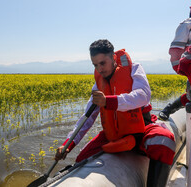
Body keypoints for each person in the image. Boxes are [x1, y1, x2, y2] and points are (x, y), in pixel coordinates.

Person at [55, 39, 175, 187]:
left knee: (164, 140)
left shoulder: (134, 69)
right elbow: (87, 118)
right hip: (115, 135)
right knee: (83, 156)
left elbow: (143, 95)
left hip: (142, 129)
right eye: (95, 65)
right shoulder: (98, 85)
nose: (99, 69)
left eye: (102, 63)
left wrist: (109, 101)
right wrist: (69, 143)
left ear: (113, 58)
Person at [159, 8, 191, 121]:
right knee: (190, 96)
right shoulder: (187, 25)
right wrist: (180, 68)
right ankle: (169, 108)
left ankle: (169, 108)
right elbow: (176, 50)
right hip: (189, 66)